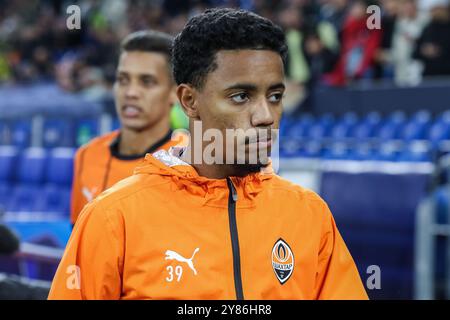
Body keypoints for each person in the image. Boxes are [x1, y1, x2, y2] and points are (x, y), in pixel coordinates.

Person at [49, 8, 368, 300]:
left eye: (275, 96)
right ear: (189, 100)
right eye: (241, 96)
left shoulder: (309, 215)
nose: (266, 115)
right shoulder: (112, 219)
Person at [70, 30, 181, 225]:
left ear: (175, 93)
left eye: (147, 82)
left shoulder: (190, 162)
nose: (130, 93)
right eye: (123, 80)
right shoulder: (87, 155)